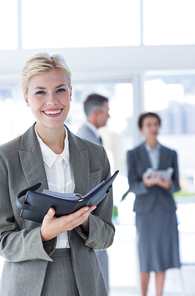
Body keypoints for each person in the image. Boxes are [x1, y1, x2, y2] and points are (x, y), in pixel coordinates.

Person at [0, 53, 115, 296]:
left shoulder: (96, 155)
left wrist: (83, 221)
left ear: (71, 93)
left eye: (60, 90)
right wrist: (45, 233)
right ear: (26, 99)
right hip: (27, 284)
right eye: (40, 92)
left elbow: (107, 236)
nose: (52, 101)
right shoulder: (6, 158)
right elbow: (4, 241)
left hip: (84, 283)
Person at [126, 112, 180, 296]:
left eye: (156, 123)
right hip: (145, 212)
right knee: (146, 255)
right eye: (149, 124)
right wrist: (146, 184)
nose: (153, 127)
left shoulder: (171, 153)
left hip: (165, 211)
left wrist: (169, 185)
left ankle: (159, 294)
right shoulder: (133, 154)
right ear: (142, 129)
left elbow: (177, 186)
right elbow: (132, 186)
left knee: (162, 255)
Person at [76, 93, 110, 291]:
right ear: (96, 113)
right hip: (88, 217)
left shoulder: (92, 136)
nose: (109, 116)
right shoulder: (83, 138)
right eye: (107, 111)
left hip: (94, 219)